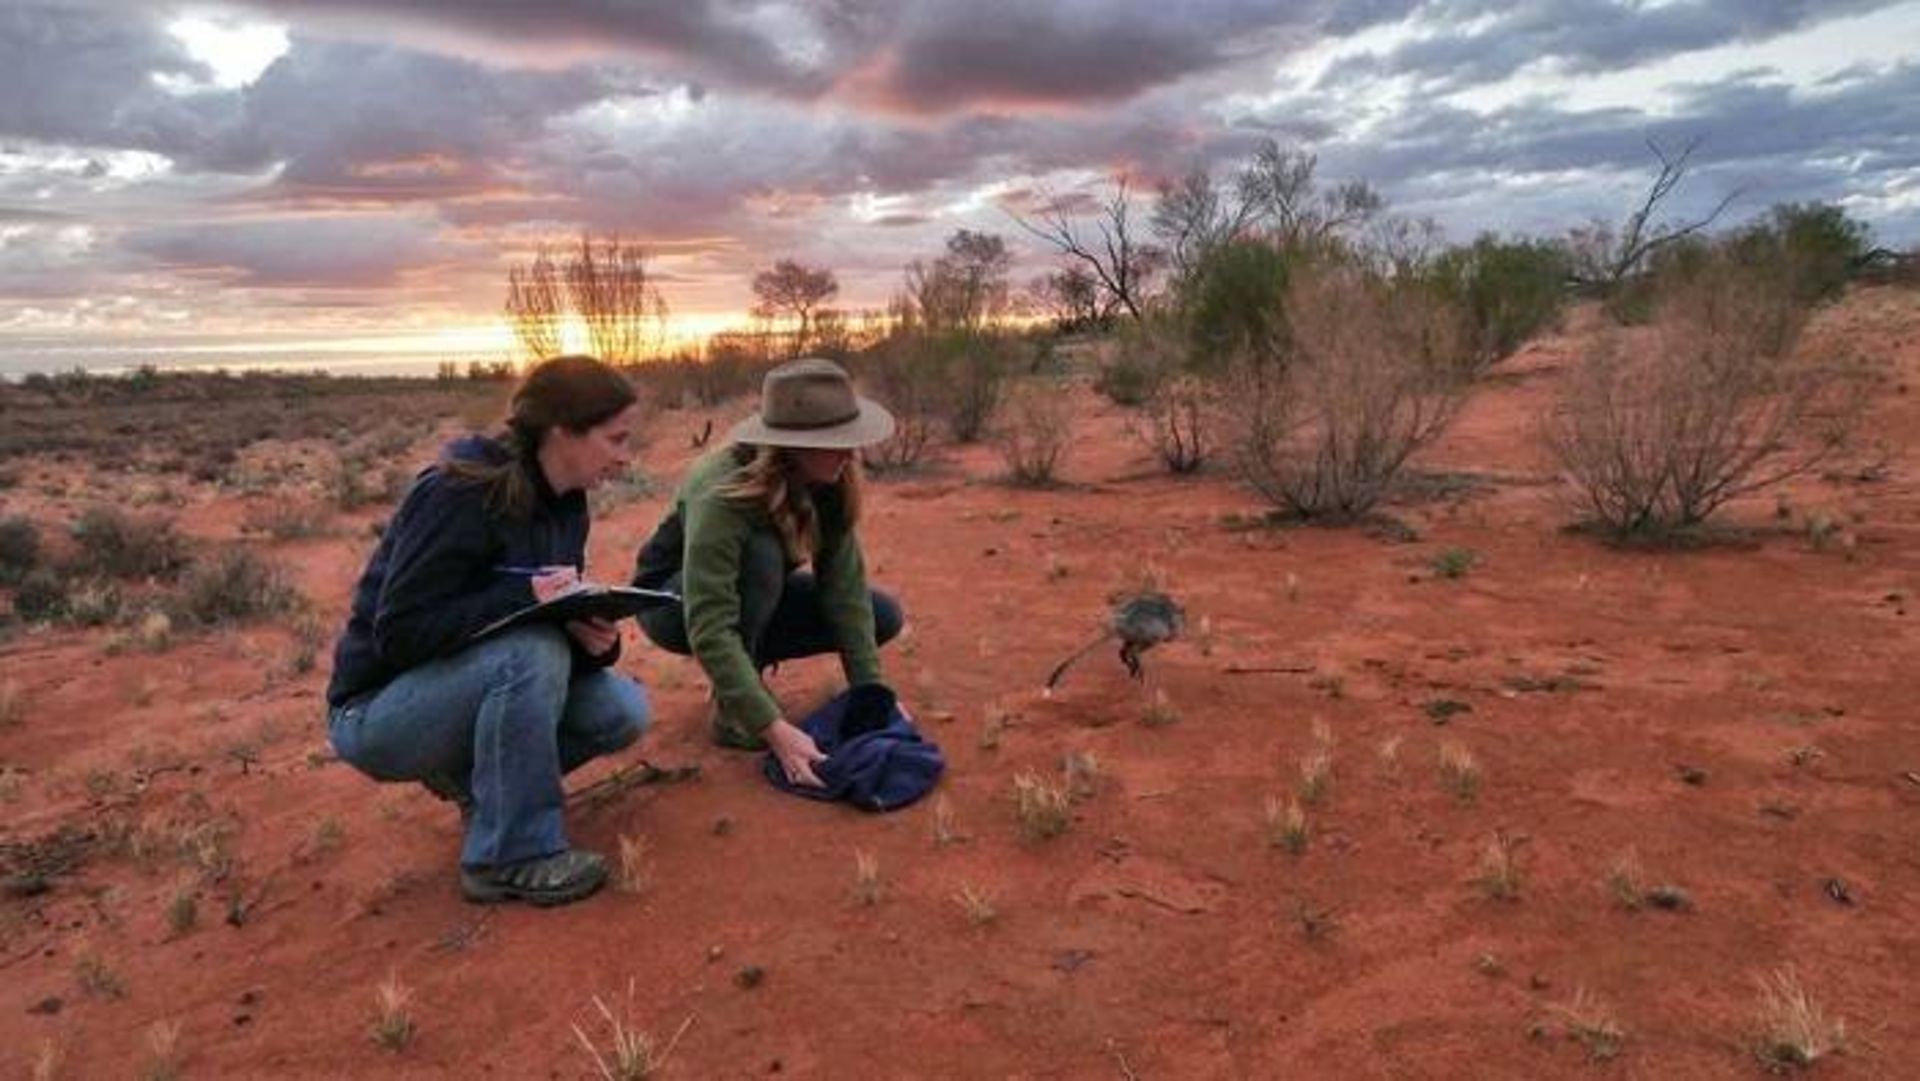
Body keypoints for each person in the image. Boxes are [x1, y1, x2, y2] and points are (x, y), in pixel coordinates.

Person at [325, 354, 650, 907]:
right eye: (615, 440)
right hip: (378, 711)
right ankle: (510, 856)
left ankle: (485, 791)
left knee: (620, 711)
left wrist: (591, 639)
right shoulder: (458, 492)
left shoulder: (568, 503)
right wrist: (527, 603)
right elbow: (400, 634)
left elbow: (543, 607)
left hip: (466, 685)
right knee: (527, 652)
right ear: (562, 432)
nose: (625, 457)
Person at [633, 357, 904, 788]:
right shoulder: (723, 492)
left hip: (755, 594)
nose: (851, 453)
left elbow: (845, 592)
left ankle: (747, 669)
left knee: (882, 615)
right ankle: (734, 707)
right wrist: (771, 727)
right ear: (791, 444)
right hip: (672, 604)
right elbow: (709, 623)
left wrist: (872, 695)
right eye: (837, 441)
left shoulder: (832, 482)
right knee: (759, 558)